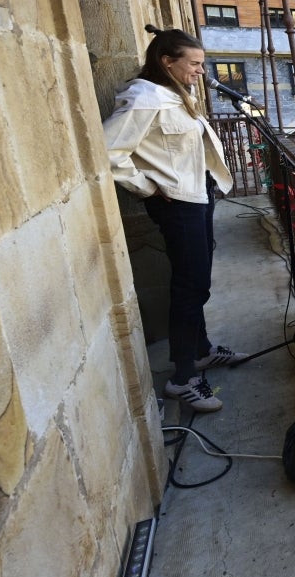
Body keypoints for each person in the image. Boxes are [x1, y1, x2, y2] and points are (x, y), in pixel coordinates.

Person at [103, 26, 243, 412]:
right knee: (190, 287)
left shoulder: (176, 94)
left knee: (197, 282)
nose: (201, 70)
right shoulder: (145, 98)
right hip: (178, 204)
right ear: (167, 61)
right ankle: (183, 379)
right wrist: (145, 187)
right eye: (193, 63)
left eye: (202, 63)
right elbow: (108, 150)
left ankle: (199, 350)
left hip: (198, 196)